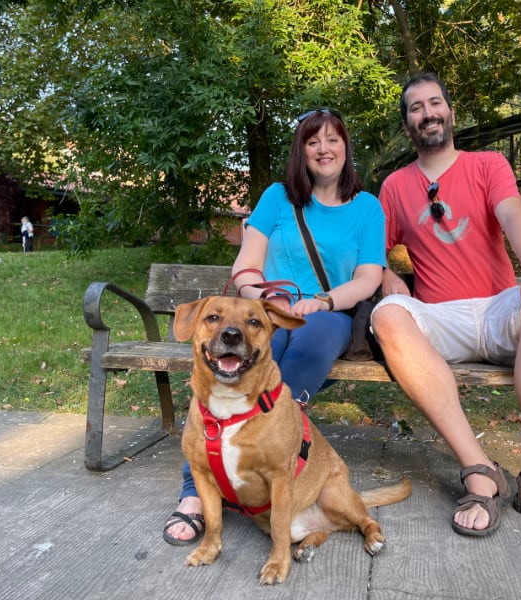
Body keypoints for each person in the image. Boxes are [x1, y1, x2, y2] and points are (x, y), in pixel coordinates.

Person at [370, 73, 521, 542]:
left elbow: (513, 214)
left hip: (496, 309)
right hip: (440, 317)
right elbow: (373, 252)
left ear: (450, 113)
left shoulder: (488, 165)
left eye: (435, 103)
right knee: (387, 314)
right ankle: (479, 469)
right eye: (415, 108)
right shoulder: (394, 186)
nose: (427, 113)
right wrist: (389, 274)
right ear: (407, 123)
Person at [162, 108, 386, 545]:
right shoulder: (278, 198)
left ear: (346, 148)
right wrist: (267, 299)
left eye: (333, 139)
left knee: (303, 350)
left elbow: (368, 278)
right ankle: (195, 490)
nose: (324, 148)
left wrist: (320, 301)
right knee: (234, 369)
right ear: (301, 151)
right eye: (313, 140)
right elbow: (246, 265)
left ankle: (271, 464)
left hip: (328, 315)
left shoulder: (366, 207)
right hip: (265, 312)